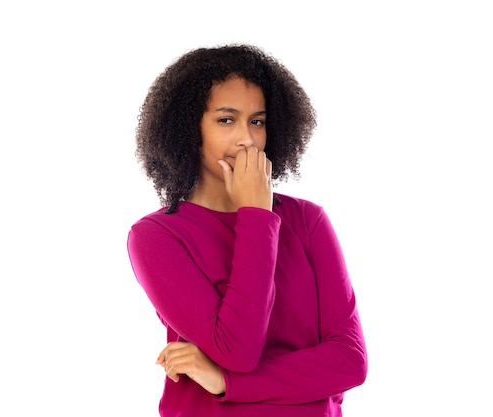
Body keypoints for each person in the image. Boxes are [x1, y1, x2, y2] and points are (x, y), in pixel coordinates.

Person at [127, 43, 367, 417]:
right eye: (226, 120)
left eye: (257, 121)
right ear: (190, 130)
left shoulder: (307, 221)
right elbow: (236, 349)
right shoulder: (157, 236)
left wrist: (226, 382)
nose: (247, 139)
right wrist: (255, 213)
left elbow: (350, 362)